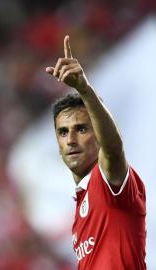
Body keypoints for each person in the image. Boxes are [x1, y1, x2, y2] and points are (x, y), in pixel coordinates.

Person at [46, 35, 146, 269]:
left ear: (97, 137)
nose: (70, 140)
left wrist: (84, 89)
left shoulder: (109, 183)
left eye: (81, 129)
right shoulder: (81, 211)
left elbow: (113, 150)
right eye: (62, 132)